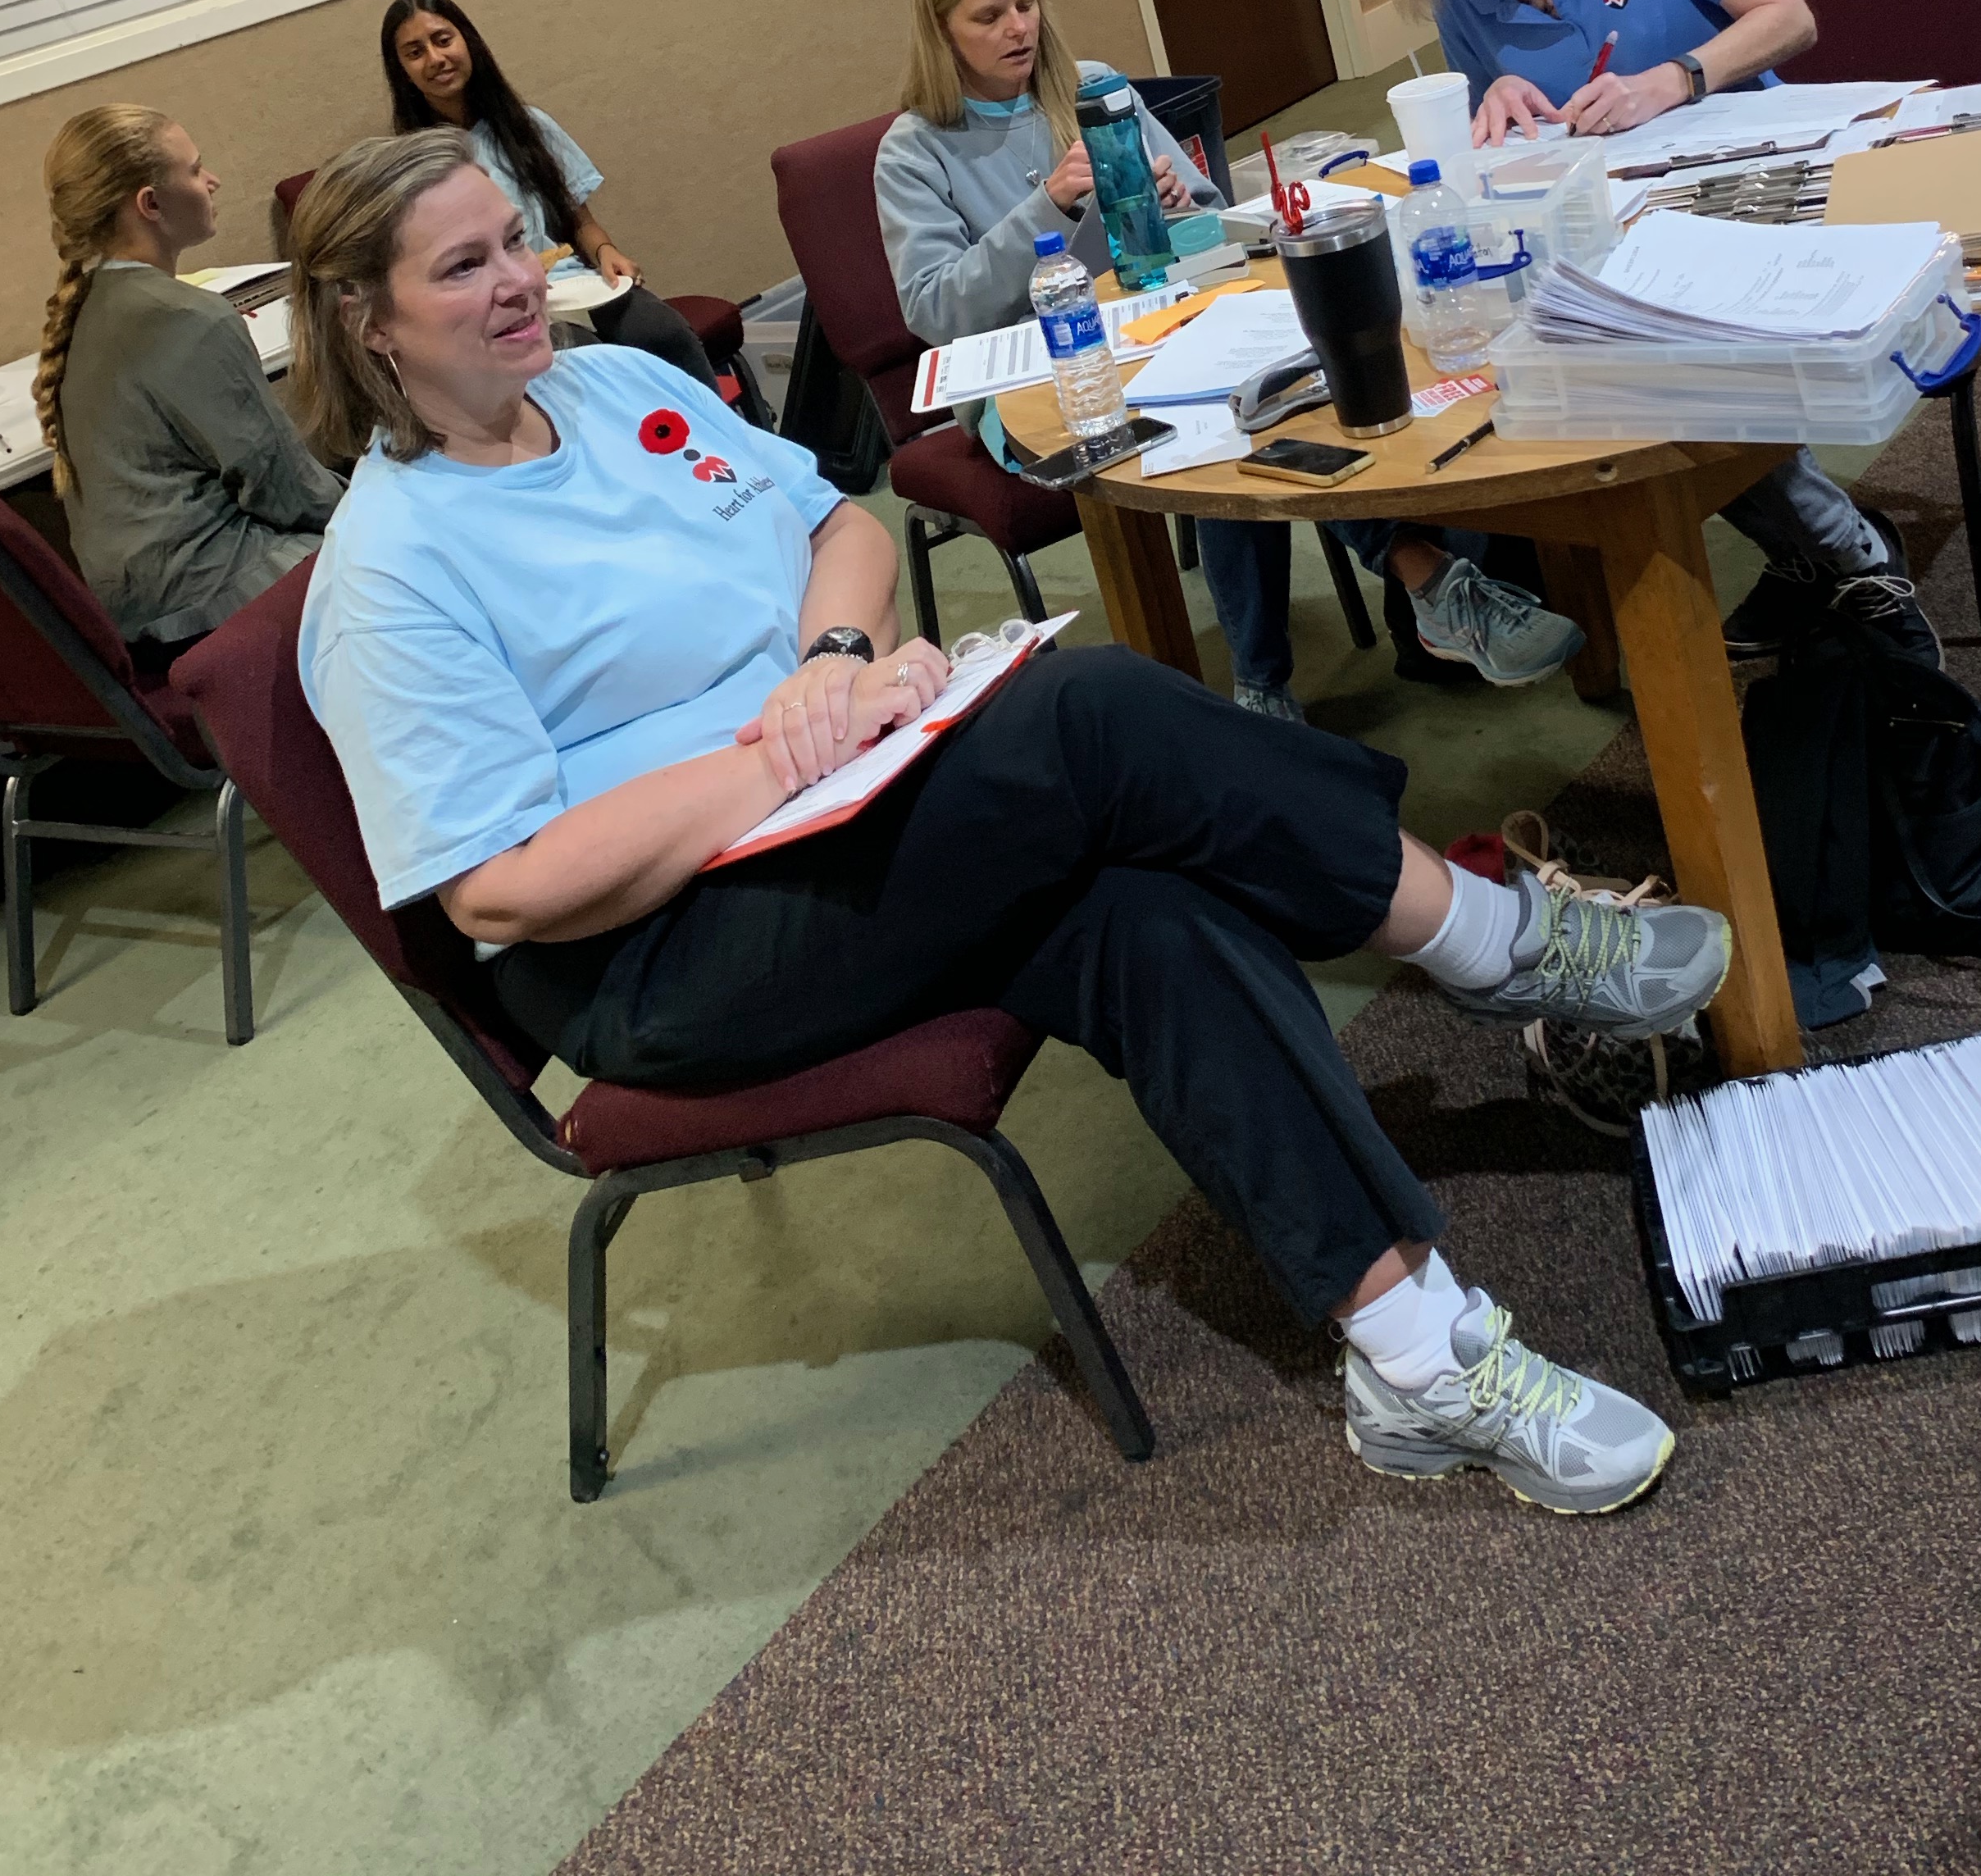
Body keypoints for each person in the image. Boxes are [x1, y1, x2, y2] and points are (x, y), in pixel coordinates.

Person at [290, 126, 1734, 1513]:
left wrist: (832, 665)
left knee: (1142, 905)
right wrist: (788, 755)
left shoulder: (605, 385)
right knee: (1092, 716)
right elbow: (500, 890)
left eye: (516, 242)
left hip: (824, 804)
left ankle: (1416, 1361)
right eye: (462, 267)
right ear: (366, 321)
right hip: (654, 948)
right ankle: (1489, 940)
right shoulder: (392, 570)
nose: (518, 281)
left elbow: (839, 530)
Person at [872, 0, 1582, 720]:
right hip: (1040, 379)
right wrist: (1050, 206)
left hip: (1160, 322)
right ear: (942, 31)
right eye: (989, 16)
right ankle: (1417, 587)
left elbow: (1213, 218)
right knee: (1209, 423)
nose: (1018, 29)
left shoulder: (1091, 90)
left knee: (1269, 388)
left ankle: (1274, 678)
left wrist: (1178, 203)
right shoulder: (915, 150)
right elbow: (936, 309)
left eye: (1026, 5)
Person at [1362, 0, 1938, 664]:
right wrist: (1500, 99)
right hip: (1615, 221)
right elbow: (1500, 152)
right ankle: (1811, 548)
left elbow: (1789, 18)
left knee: (1655, 352)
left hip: (1752, 178)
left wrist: (1675, 78)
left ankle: (1841, 551)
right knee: (1558, 341)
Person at [34, 105, 339, 660]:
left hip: (140, 607)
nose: (212, 181)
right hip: (209, 600)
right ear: (151, 205)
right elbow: (283, 488)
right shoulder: (190, 318)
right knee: (413, 552)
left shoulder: (84, 308)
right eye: (196, 170)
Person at [380, 0, 716, 395]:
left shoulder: (529, 126)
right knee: (588, 363)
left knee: (661, 332)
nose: (435, 59)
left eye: (443, 40)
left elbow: (580, 221)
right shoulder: (415, 166)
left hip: (572, 283)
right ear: (402, 71)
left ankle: (719, 432)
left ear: (468, 42)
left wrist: (606, 252)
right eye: (415, 53)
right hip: (499, 305)